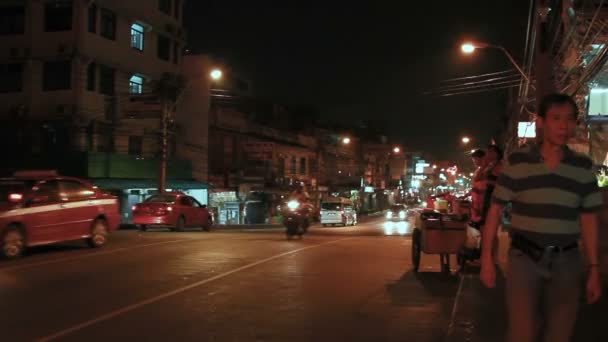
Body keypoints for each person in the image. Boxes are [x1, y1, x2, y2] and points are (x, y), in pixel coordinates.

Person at [481, 93, 603, 342]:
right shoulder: (518, 162)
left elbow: (589, 219)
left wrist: (594, 268)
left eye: (569, 119)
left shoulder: (582, 167)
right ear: (541, 122)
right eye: (556, 118)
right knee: (522, 333)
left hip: (567, 261)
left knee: (560, 334)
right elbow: (494, 211)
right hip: (524, 259)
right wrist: (486, 259)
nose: (563, 125)